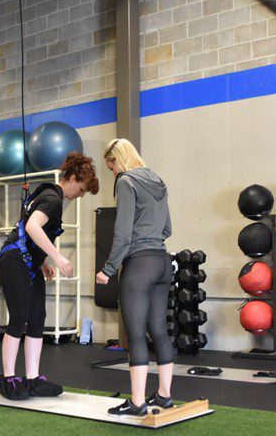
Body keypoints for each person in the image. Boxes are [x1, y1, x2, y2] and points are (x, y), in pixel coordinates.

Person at [0, 151, 99, 401]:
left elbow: (28, 231)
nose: (81, 195)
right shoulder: (53, 199)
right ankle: (8, 380)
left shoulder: (50, 196)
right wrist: (57, 257)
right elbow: (32, 227)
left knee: (38, 318)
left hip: (27, 261)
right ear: (72, 178)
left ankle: (32, 380)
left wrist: (41, 263)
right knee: (19, 318)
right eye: (83, 189)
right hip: (12, 259)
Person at [96, 138, 174, 417]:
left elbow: (123, 233)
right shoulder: (158, 180)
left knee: (136, 334)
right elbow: (167, 228)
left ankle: (138, 402)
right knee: (159, 331)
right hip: (163, 263)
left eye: (112, 166)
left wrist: (108, 268)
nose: (113, 173)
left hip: (140, 265)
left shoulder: (126, 182)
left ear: (118, 160)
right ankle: (164, 396)